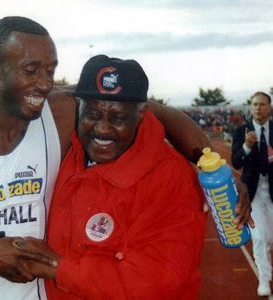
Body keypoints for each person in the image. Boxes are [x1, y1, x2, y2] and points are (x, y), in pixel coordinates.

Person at [0, 16, 248, 300]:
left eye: (51, 70)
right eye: (31, 70)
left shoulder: (59, 112)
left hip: (43, 293)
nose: (44, 84)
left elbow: (151, 110)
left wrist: (211, 162)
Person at [12, 55, 206, 299]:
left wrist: (56, 265)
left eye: (118, 118)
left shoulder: (171, 178)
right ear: (78, 107)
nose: (102, 129)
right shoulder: (66, 149)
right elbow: (1, 107)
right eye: (91, 114)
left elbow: (155, 283)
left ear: (141, 114)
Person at [232, 91, 273, 297]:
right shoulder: (241, 131)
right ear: (250, 108)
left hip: (272, 190)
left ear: (269, 108)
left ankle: (267, 267)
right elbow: (236, 162)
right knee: (258, 237)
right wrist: (247, 146)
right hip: (252, 193)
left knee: (269, 238)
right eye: (254, 104)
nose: (258, 108)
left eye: (262, 104)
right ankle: (264, 279)